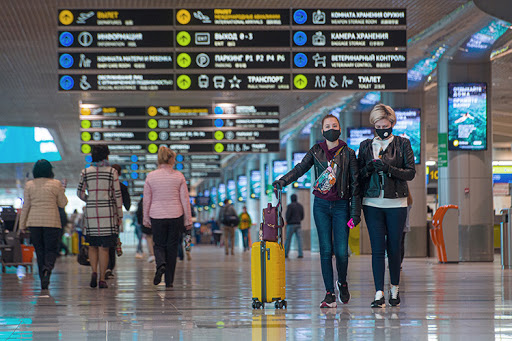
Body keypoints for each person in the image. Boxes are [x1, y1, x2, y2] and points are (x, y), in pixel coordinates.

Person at [273, 114, 361, 308]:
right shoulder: (316, 151)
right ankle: (329, 293)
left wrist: (355, 213)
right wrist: (283, 181)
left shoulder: (349, 153)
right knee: (325, 251)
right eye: (327, 126)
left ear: (340, 128)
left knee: (341, 252)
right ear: (322, 131)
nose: (331, 129)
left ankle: (342, 283)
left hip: (341, 206)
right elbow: (300, 169)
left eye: (334, 125)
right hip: (320, 205)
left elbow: (355, 185)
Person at [357, 104, 416, 308]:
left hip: (397, 201)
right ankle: (378, 293)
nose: (382, 128)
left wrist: (388, 168)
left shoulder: (402, 144)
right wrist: (368, 169)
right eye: (378, 125)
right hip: (371, 202)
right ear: (373, 125)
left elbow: (410, 173)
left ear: (392, 124)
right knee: (377, 250)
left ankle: (395, 290)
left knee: (394, 247)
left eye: (386, 124)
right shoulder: (365, 146)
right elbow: (358, 176)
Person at [143, 146, 192, 288]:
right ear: (170, 159)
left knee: (158, 245)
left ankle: (160, 265)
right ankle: (169, 281)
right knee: (172, 247)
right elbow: (185, 200)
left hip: (156, 215)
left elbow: (147, 200)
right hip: (175, 215)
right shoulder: (179, 176)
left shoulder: (151, 176)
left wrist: (146, 218)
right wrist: (187, 220)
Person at [77, 144, 123, 289]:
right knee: (104, 248)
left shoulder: (85, 172)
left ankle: (94, 271)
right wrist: (119, 215)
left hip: (91, 213)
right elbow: (117, 195)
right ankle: (102, 278)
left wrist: (89, 199)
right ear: (106, 156)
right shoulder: (112, 172)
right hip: (108, 214)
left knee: (93, 246)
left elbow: (79, 193)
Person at [19, 159, 68, 290]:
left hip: (34, 223)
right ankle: (48, 268)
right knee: (51, 250)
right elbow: (62, 204)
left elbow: (26, 207)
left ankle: (43, 279)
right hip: (52, 222)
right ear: (50, 171)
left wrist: (21, 226)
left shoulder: (29, 185)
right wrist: (62, 190)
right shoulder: (56, 184)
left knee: (39, 251)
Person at [105, 164, 131, 279]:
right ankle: (110, 267)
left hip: (101, 217)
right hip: (115, 218)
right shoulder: (122, 187)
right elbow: (128, 205)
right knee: (112, 242)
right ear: (119, 174)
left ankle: (102, 267)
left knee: (101, 244)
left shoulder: (103, 186)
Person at [284, 194, 304, 259]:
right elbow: (302, 216)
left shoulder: (290, 206)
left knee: (288, 239)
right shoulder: (300, 206)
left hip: (291, 225)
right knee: (299, 240)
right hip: (298, 224)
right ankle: (300, 254)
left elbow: (287, 215)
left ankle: (285, 253)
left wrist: (287, 220)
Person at [137, 197, 155, 262]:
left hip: (145, 221)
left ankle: (151, 254)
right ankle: (156, 253)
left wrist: (139, 221)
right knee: (154, 237)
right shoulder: (154, 199)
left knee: (148, 237)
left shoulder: (142, 201)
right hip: (155, 220)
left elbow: (138, 212)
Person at [401, 190, 413, 267]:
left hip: (398, 225)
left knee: (393, 244)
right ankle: (399, 262)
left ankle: (394, 261)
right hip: (405, 226)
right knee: (401, 244)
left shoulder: (401, 201)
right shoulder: (409, 201)